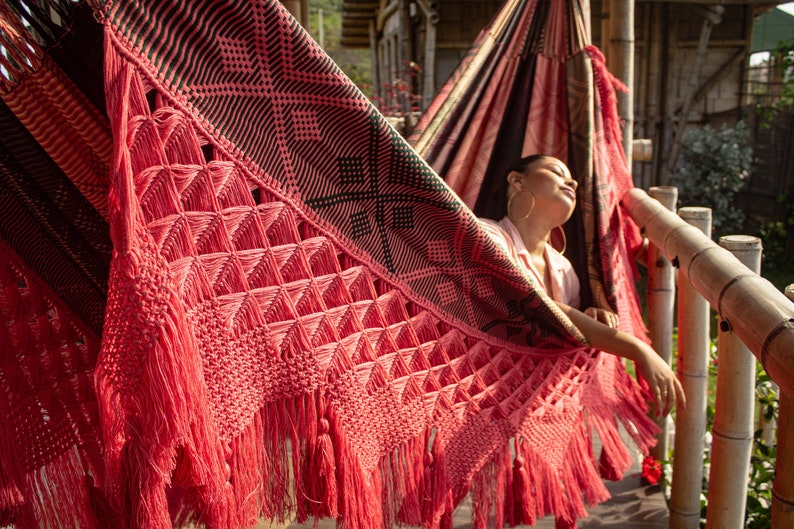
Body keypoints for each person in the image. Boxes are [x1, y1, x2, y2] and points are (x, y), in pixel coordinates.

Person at [480, 154, 685, 416]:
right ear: (517, 180)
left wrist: (589, 320)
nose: (572, 183)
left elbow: (564, 332)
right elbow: (534, 304)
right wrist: (637, 348)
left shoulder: (564, 270)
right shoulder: (488, 235)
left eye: (573, 180)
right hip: (486, 390)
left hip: (539, 407)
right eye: (556, 172)